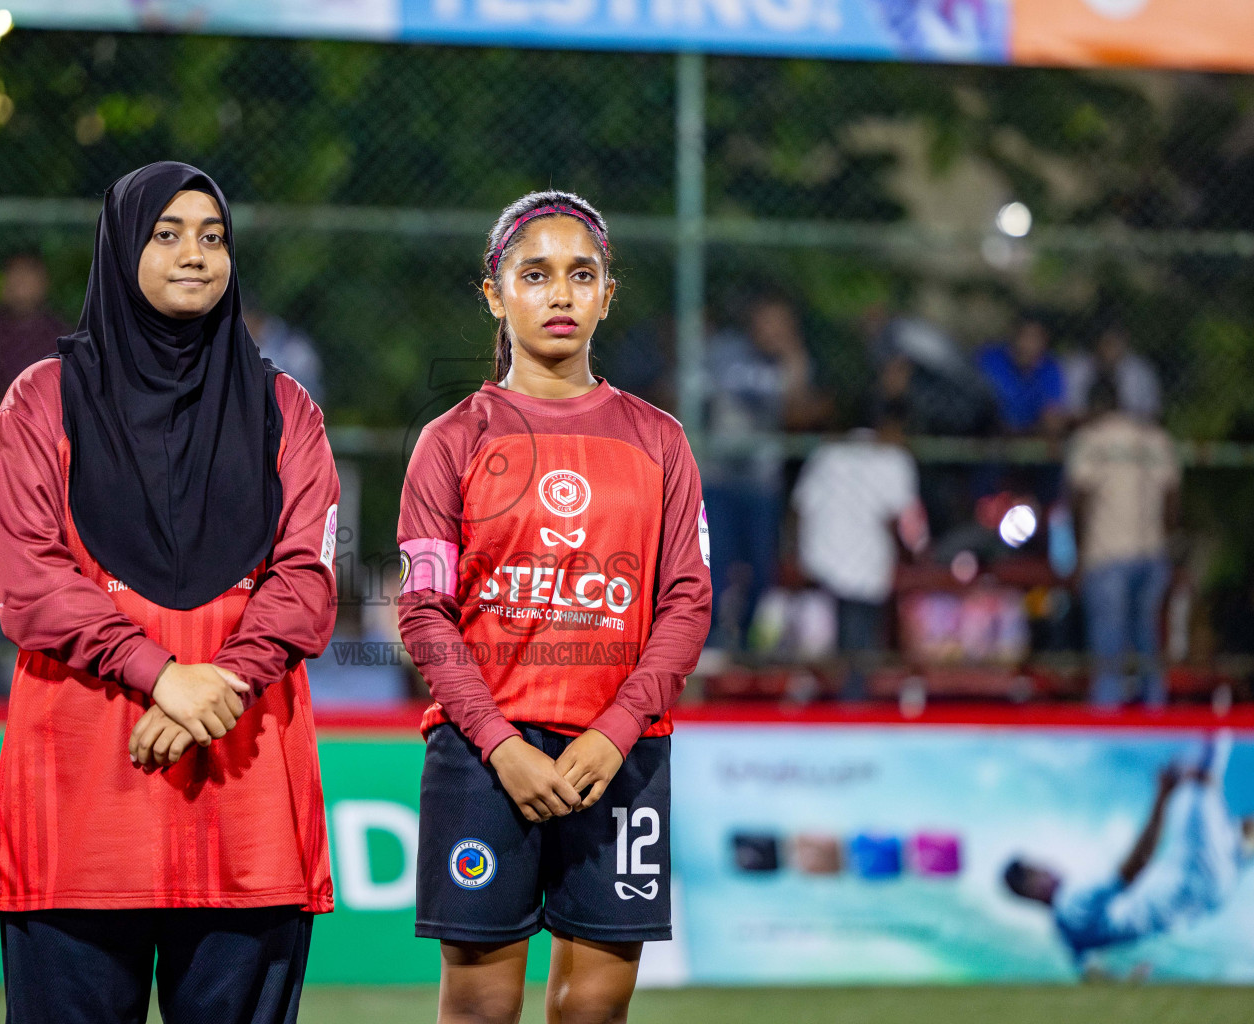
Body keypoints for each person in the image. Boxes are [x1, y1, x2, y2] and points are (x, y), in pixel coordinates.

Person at [0, 162, 339, 1024]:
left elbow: (308, 580)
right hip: (80, 804)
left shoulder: (286, 409)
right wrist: (160, 672)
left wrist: (218, 681)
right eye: (167, 234)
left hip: (244, 797)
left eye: (213, 237)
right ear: (119, 248)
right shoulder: (42, 401)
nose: (195, 255)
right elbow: (30, 579)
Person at [397, 190, 710, 1024]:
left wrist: (615, 732)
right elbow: (424, 615)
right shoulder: (451, 439)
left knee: (594, 1011)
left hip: (622, 751)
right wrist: (501, 747)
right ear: (495, 293)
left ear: (610, 293)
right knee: (478, 1009)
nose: (561, 294)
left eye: (582, 275)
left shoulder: (660, 440)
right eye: (535, 275)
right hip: (483, 756)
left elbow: (685, 605)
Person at [1004, 733, 1250, 970]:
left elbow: (1091, 973)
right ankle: (1222, 702)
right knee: (1199, 780)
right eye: (1038, 869)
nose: (1048, 865)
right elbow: (1133, 869)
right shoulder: (1072, 899)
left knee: (1239, 830)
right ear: (1033, 887)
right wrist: (1162, 796)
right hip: (1194, 876)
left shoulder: (1065, 932)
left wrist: (1126, 982)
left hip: (1210, 896)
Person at [703, 291, 824, 652]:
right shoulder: (724, 352)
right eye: (767, 321)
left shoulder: (793, 361)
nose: (772, 329)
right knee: (714, 565)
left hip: (762, 483)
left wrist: (792, 359)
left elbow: (798, 415)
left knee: (761, 568)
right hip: (718, 478)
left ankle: (746, 641)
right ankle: (709, 644)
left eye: (781, 324)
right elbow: (692, 402)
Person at [791, 402, 926, 699]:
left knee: (837, 641)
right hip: (862, 568)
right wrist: (921, 557)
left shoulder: (828, 453)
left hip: (820, 564)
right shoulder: (893, 459)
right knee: (858, 648)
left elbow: (799, 508)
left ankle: (837, 698)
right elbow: (909, 528)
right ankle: (852, 702)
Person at [1066, 378, 1180, 708]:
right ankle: (1155, 712)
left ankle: (1108, 718)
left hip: (1106, 553)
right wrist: (1165, 539)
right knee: (1147, 641)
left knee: (1109, 650)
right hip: (1151, 551)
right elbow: (1172, 496)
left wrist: (1078, 552)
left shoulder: (1090, 441)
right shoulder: (1153, 439)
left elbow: (1079, 499)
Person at [0, 252, 70, 417]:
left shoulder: (59, 332)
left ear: (44, 282)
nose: (21, 281)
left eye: (28, 274)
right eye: (15, 274)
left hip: (44, 420)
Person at [975, 311, 1067, 437]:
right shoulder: (989, 360)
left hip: (1028, 436)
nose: (1027, 345)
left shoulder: (1051, 369)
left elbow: (1052, 413)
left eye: (1035, 338)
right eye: (1024, 336)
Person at [1063, 317, 1162, 423]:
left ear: (1124, 343)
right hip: (1087, 428)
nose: (1110, 350)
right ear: (1096, 343)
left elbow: (1152, 413)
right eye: (1107, 343)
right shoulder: (1077, 367)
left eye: (1116, 344)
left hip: (1130, 428)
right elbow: (1069, 411)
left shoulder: (1140, 372)